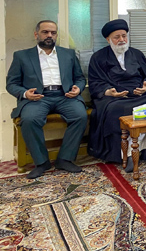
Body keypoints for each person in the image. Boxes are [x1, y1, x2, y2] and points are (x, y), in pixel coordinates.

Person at [6, 20, 88, 179]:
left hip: (64, 96)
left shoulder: (68, 54)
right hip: (37, 98)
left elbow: (79, 78)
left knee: (80, 115)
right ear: (36, 34)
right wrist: (25, 94)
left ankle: (65, 159)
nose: (49, 35)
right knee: (29, 119)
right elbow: (11, 84)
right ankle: (42, 162)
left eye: (53, 32)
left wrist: (78, 88)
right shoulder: (22, 56)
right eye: (45, 32)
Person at [88, 19, 146, 171]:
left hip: (139, 94)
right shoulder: (98, 57)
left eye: (124, 36)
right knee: (115, 109)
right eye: (117, 37)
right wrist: (109, 92)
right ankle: (126, 153)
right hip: (115, 97)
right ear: (108, 39)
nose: (121, 39)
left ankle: (143, 149)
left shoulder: (136, 54)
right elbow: (95, 83)